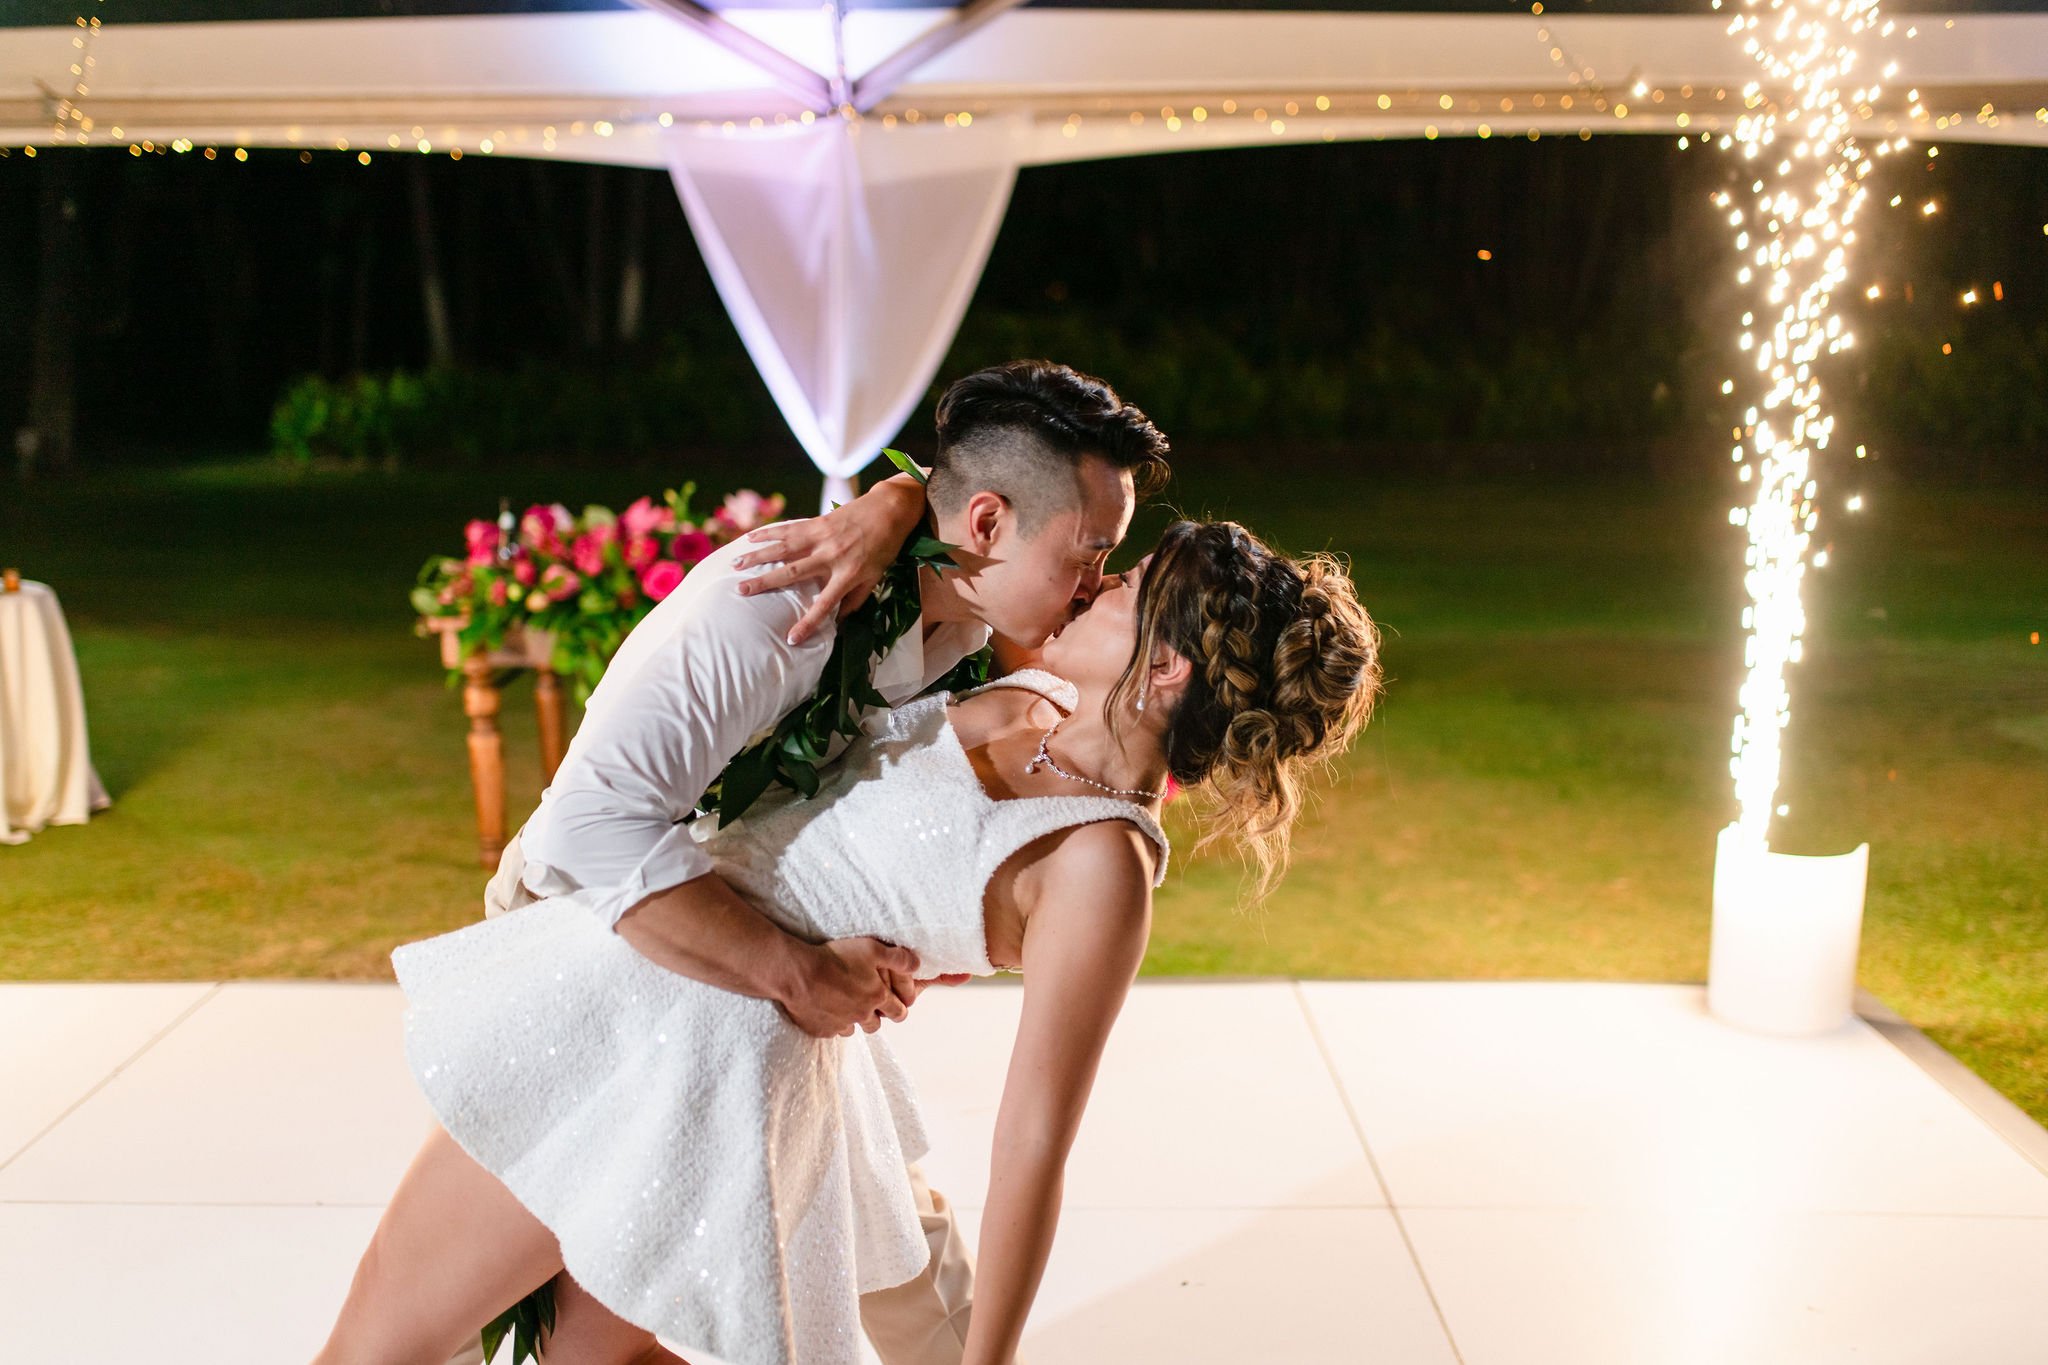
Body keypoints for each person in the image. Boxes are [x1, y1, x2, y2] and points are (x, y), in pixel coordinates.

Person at [318, 513, 1382, 1365]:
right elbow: (980, 512)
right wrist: (889, 503)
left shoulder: (1101, 864)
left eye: (1126, 585)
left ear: (1166, 669)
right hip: (650, 985)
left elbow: (1033, 1137)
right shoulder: (1035, 694)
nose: (1095, 583)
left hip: (695, 1051)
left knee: (379, 1345)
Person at [362, 358, 1172, 1365]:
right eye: (1091, 553)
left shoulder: (972, 615)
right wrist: (804, 974)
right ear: (988, 523)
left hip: (750, 1030)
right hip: (612, 977)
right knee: (428, 1343)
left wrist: (895, 499)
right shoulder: (774, 609)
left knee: (610, 1346)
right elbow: (588, 832)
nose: (1096, 584)